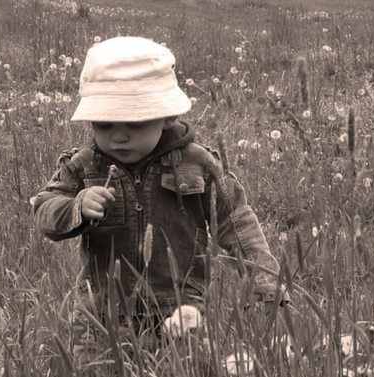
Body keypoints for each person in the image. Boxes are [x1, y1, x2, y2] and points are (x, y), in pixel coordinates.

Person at [32, 36, 279, 343]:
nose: (118, 137)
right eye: (104, 125)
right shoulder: (84, 166)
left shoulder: (198, 163)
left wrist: (265, 283)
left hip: (179, 306)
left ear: (168, 117)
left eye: (133, 124)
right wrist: (76, 207)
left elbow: (236, 220)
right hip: (102, 307)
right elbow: (44, 208)